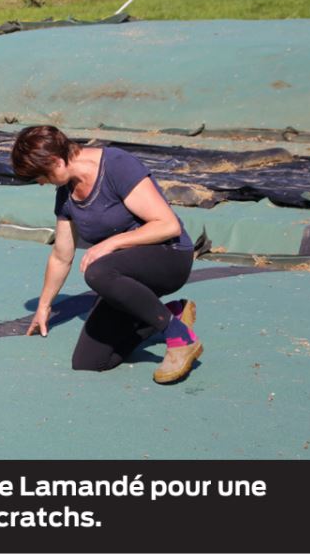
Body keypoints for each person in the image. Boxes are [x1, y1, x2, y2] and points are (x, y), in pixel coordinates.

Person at [10, 125, 201, 384]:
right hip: (123, 274)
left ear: (55, 161)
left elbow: (168, 225)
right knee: (89, 362)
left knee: (97, 271)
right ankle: (168, 314)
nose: (41, 183)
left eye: (40, 176)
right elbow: (61, 256)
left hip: (169, 257)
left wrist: (110, 243)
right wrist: (44, 307)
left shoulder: (117, 165)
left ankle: (179, 336)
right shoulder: (66, 195)